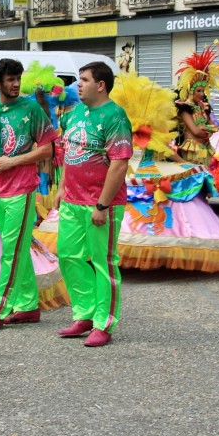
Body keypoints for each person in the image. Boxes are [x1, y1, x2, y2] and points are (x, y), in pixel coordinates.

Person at [54, 61, 133, 347]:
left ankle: (104, 322)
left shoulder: (115, 116)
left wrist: (102, 205)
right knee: (68, 255)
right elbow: (66, 152)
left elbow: (119, 164)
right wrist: (62, 187)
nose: (78, 84)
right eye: (79, 79)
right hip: (73, 201)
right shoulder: (75, 113)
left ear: (101, 85)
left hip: (101, 204)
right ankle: (85, 313)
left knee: (104, 263)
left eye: (84, 80)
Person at [0, 59, 57, 332]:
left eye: (18, 78)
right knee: (17, 250)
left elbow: (48, 149)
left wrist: (14, 161)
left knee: (10, 252)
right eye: (10, 79)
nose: (15, 84)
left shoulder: (31, 108)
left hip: (21, 190)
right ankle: (28, 306)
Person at [174, 47, 217, 166]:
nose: (202, 94)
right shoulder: (184, 108)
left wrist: (208, 128)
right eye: (198, 91)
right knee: (194, 177)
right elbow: (196, 130)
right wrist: (209, 131)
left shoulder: (203, 107)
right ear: (190, 91)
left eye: (203, 91)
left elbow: (213, 125)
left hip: (205, 148)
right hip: (192, 150)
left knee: (205, 176)